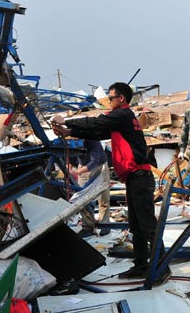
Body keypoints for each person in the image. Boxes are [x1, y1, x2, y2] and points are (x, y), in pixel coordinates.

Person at [52, 82, 161, 279]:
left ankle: (161, 267)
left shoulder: (123, 115)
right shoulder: (121, 121)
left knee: (147, 226)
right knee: (137, 227)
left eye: (110, 98)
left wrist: (67, 121)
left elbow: (96, 122)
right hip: (134, 178)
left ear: (121, 99)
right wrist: (70, 132)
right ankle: (141, 265)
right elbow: (97, 132)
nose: (108, 102)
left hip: (140, 178)